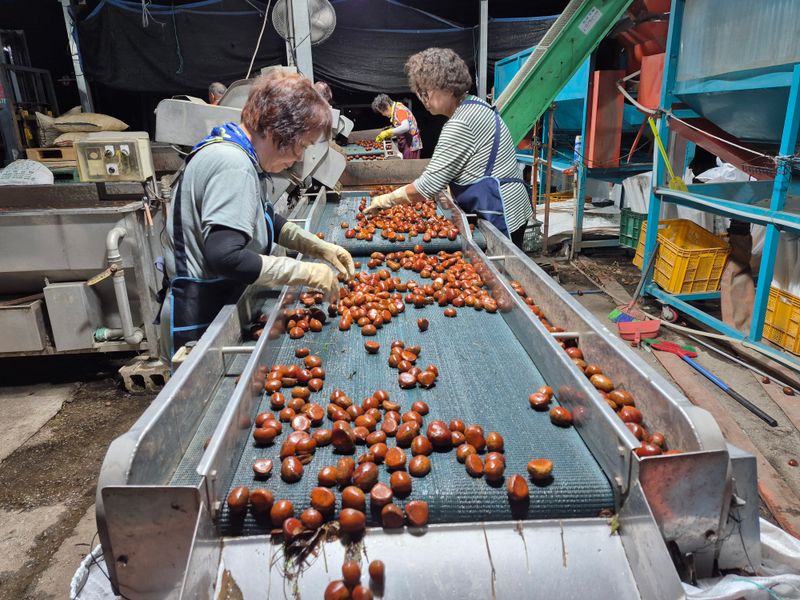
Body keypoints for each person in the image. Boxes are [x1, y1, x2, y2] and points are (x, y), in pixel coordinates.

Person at [160, 71, 354, 359]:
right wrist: (304, 272)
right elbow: (225, 256)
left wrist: (316, 246)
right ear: (279, 131)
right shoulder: (233, 164)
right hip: (203, 316)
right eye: (301, 145)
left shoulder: (238, 151)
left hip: (219, 304)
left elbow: (262, 217)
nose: (300, 158)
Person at [365, 48, 532, 248]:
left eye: (426, 91)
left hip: (502, 211)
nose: (422, 98)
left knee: (504, 275)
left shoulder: (460, 123)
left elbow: (427, 186)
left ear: (447, 87)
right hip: (511, 203)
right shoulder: (477, 104)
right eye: (420, 92)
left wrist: (385, 200)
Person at [370, 93, 422, 159]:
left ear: (387, 106)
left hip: (411, 145)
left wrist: (388, 132)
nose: (383, 114)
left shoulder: (399, 110)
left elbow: (405, 127)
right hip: (407, 142)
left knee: (409, 166)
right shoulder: (396, 108)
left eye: (382, 112)